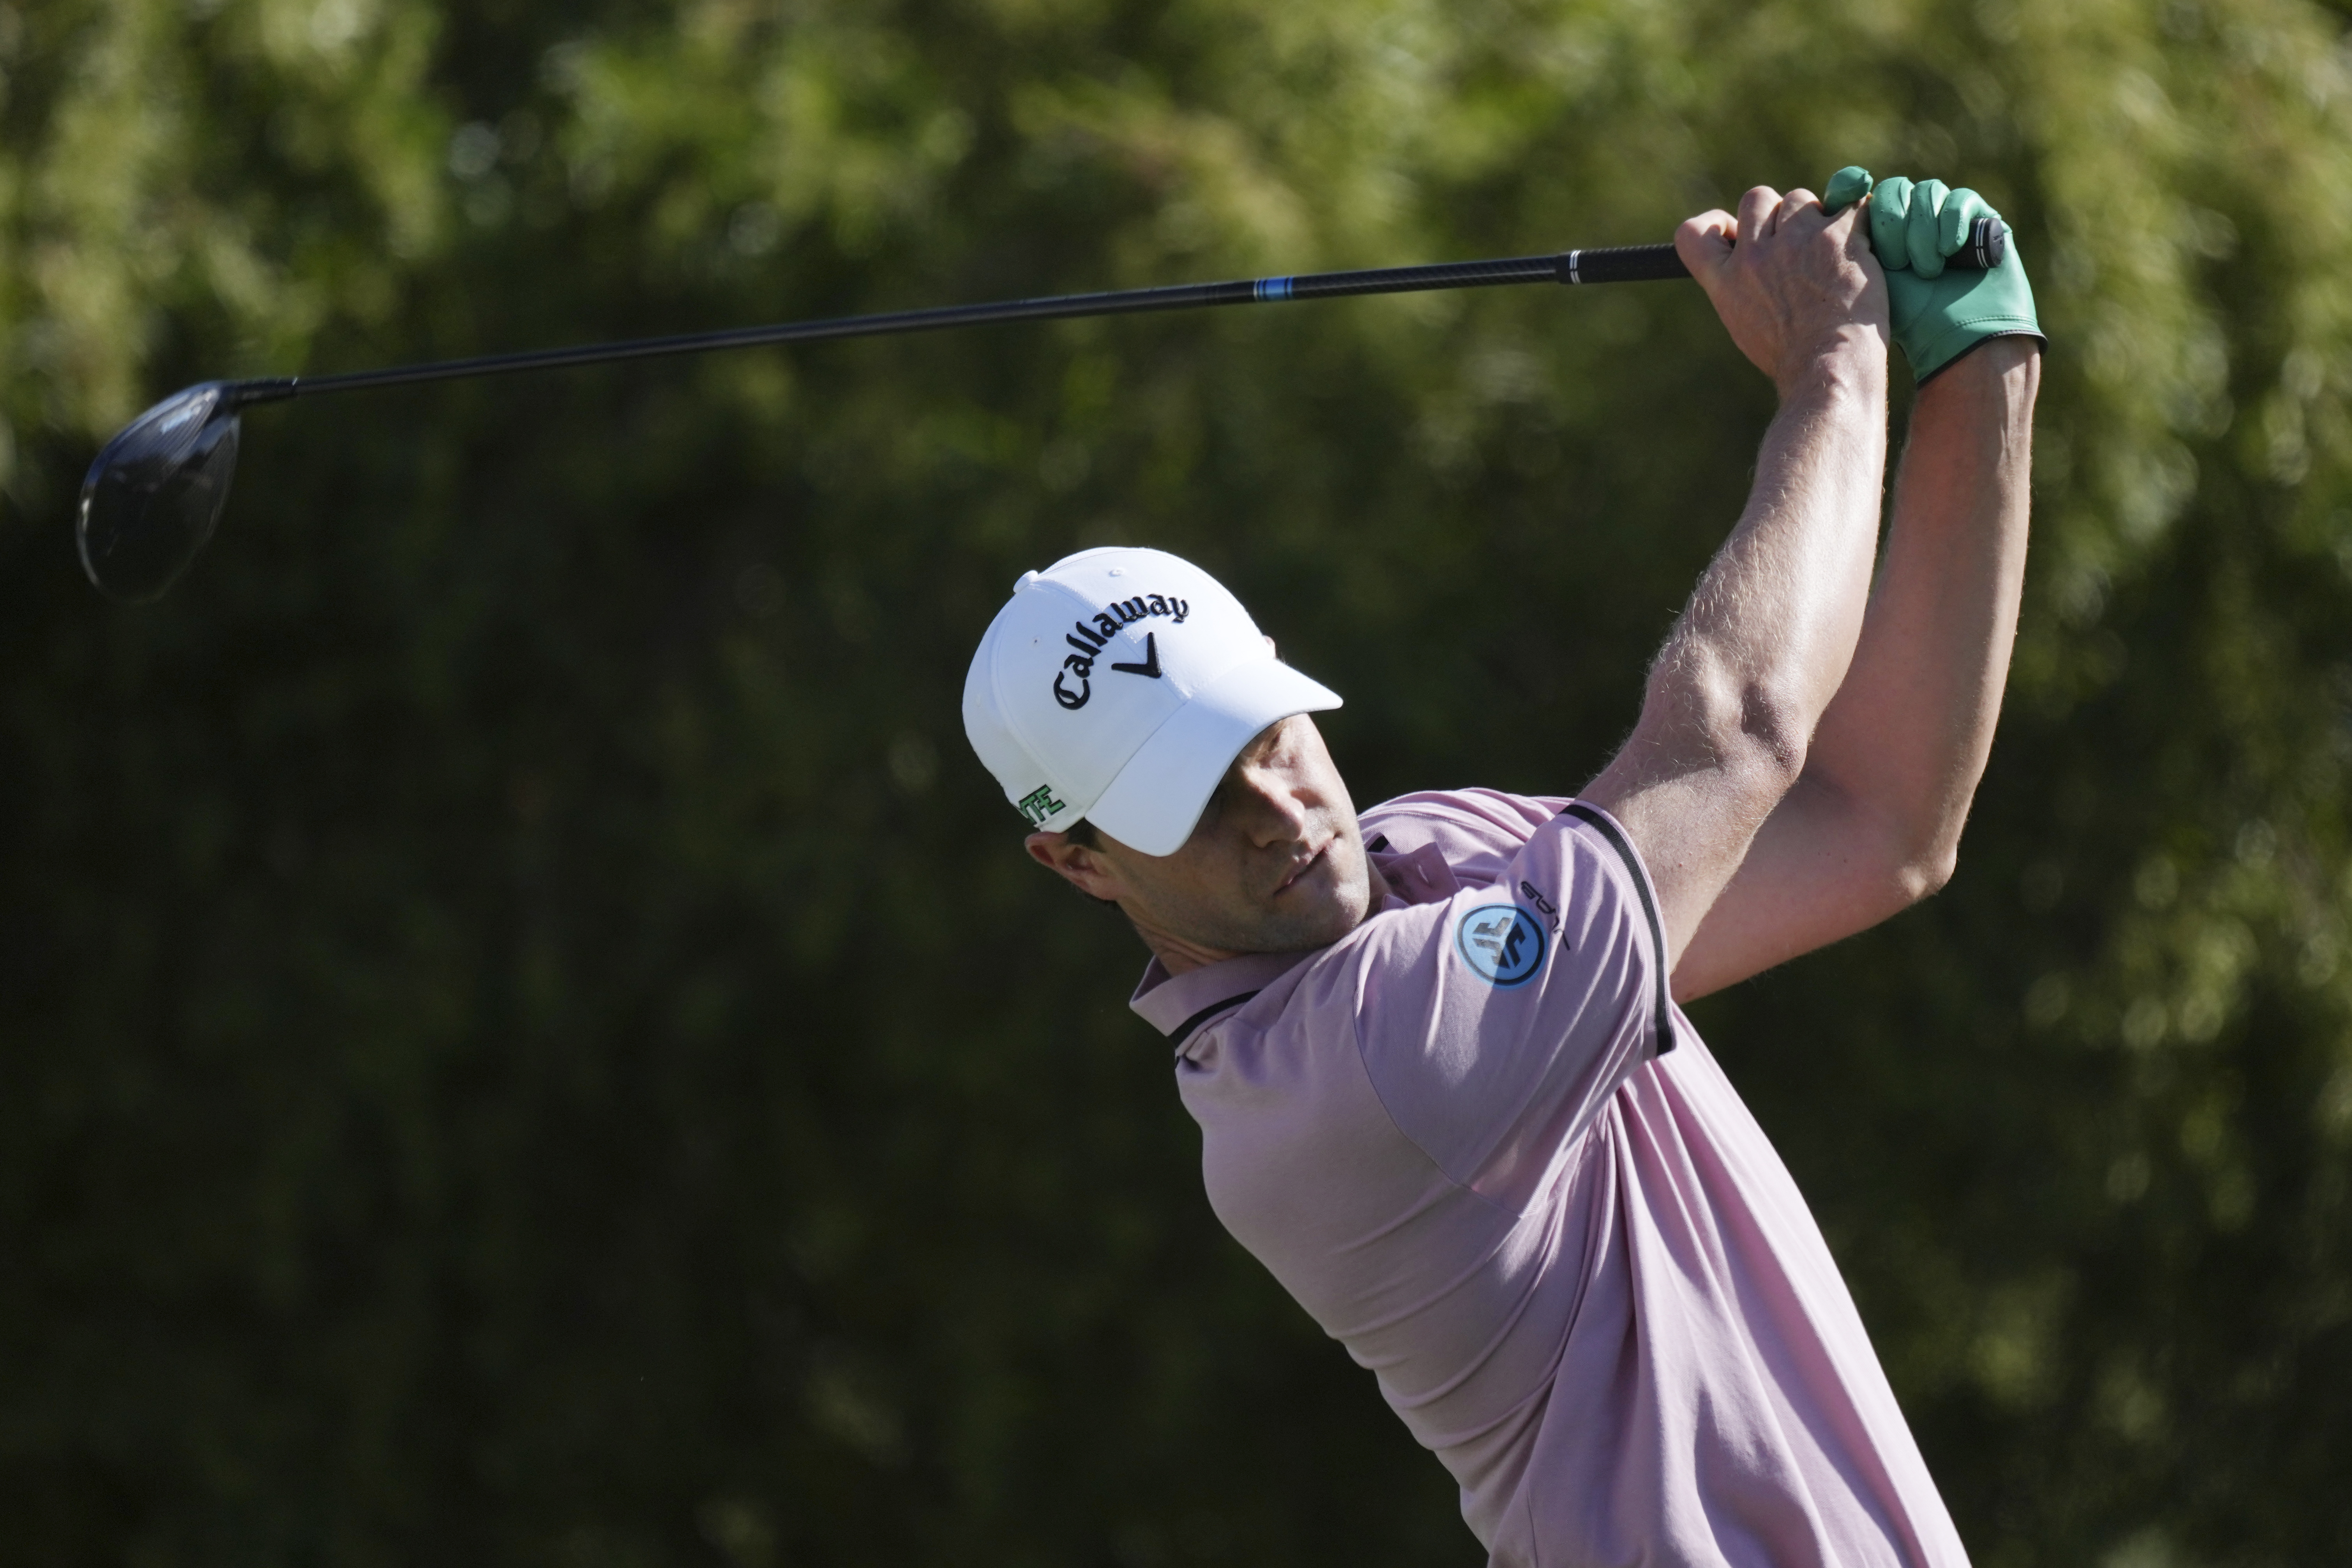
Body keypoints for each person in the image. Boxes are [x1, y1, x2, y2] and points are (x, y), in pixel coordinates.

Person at [962, 169, 2042, 1566]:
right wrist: (1833, 363)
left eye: (1267, 736)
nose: (1280, 811)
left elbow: (1877, 826)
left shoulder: (1441, 853)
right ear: (1077, 863)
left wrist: (1979, 364)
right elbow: (1734, 735)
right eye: (1187, 797)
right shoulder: (1338, 1086)